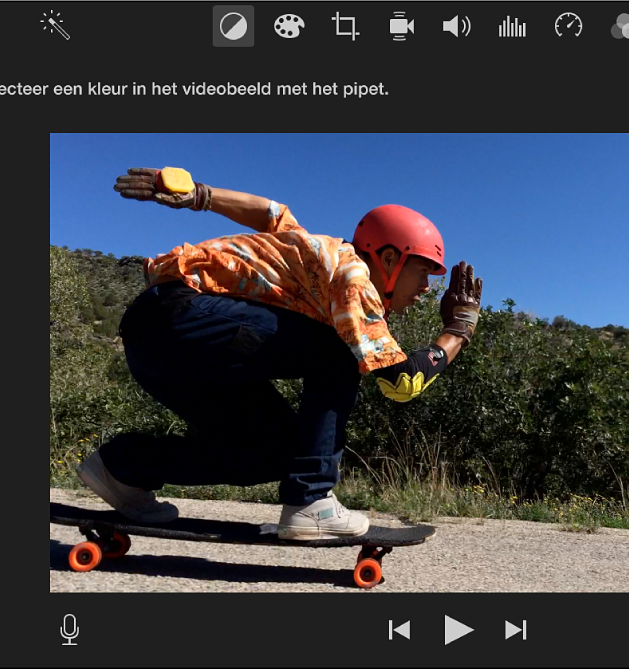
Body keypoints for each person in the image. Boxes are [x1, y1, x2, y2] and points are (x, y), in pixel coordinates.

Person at [76, 167, 483, 540]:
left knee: (274, 452)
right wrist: (458, 330)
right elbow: (400, 383)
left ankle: (123, 468)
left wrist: (201, 194)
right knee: (340, 349)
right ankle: (310, 500)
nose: (427, 288)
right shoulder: (353, 276)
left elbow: (272, 213)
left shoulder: (309, 253)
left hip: (163, 347)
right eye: (424, 270)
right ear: (390, 258)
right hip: (179, 319)